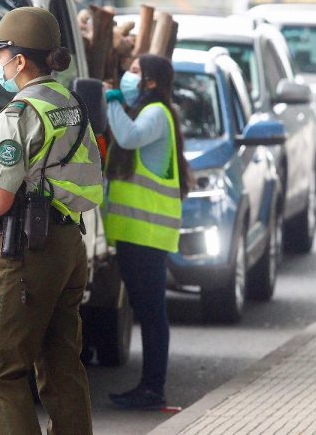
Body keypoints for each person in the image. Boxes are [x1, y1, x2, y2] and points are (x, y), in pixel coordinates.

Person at [0, 7, 103, 435]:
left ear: (19, 59)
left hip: (27, 251)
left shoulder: (18, 114)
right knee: (60, 363)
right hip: (69, 243)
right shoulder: (70, 103)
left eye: (0, 55)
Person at [103, 54, 191, 410]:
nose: (128, 75)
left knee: (152, 314)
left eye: (136, 72)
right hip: (137, 235)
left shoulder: (155, 114)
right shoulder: (147, 111)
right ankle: (150, 387)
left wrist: (111, 101)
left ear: (152, 83)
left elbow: (126, 137)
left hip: (147, 236)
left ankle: (153, 389)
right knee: (149, 312)